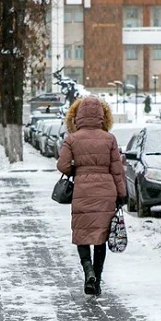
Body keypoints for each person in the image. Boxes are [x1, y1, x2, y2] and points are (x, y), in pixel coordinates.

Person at [56, 96, 125, 296]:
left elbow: (62, 165)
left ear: (77, 116)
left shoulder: (72, 139)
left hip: (82, 191)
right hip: (106, 192)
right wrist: (121, 194)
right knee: (100, 237)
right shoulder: (109, 139)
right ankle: (98, 279)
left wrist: (77, 168)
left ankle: (88, 272)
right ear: (103, 116)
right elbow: (117, 169)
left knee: (83, 234)